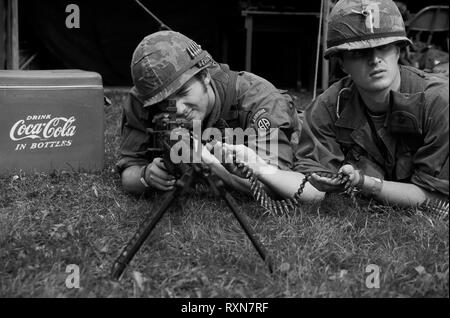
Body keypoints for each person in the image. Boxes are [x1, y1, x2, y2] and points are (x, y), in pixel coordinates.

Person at [207, 0, 449, 207]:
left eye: (384, 48)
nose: (375, 60)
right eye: (359, 52)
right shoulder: (329, 106)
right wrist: (261, 168)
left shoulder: (438, 102)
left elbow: (437, 198)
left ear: (398, 50)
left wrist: (364, 183)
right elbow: (312, 188)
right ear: (341, 63)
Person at [117, 30, 301, 195]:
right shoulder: (146, 101)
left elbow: (272, 185)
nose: (178, 108)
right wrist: (146, 176)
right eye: (164, 102)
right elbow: (129, 170)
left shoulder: (259, 100)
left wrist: (209, 165)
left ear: (204, 76)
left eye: (183, 92)